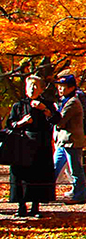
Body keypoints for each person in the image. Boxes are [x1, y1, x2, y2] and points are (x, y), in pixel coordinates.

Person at [6, 75, 58, 218]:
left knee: (38, 175)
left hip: (41, 143)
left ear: (41, 89)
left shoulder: (48, 104)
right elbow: (10, 124)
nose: (32, 88)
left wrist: (45, 110)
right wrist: (21, 122)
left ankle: (36, 206)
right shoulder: (18, 106)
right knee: (21, 175)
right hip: (23, 144)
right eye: (30, 85)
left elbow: (56, 120)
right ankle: (21, 206)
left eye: (35, 86)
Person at [53, 72, 86, 204]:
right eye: (59, 86)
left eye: (63, 86)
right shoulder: (64, 101)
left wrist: (49, 113)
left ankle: (80, 195)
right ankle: (46, 193)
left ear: (72, 88)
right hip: (63, 141)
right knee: (55, 167)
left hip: (72, 142)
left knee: (75, 170)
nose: (60, 89)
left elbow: (60, 121)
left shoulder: (73, 102)